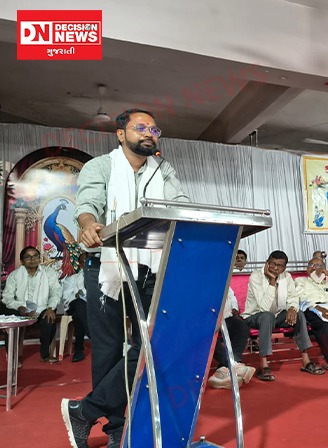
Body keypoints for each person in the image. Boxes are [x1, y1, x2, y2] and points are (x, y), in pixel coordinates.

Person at [61, 109, 190, 448]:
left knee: (153, 342)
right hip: (106, 266)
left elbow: (180, 205)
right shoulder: (101, 166)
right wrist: (88, 224)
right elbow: (88, 205)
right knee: (107, 347)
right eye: (141, 127)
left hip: (150, 267)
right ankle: (116, 426)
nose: (149, 133)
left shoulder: (163, 170)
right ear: (121, 134)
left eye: (154, 129)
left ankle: (85, 411)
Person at [242, 250, 323, 381]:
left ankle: (306, 360)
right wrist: (272, 282)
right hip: (255, 316)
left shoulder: (287, 277)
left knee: (299, 314)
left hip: (277, 315)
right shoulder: (256, 276)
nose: (275, 268)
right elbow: (264, 307)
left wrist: (292, 308)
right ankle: (263, 365)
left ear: (284, 268)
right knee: (267, 316)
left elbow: (293, 297)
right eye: (272, 264)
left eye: (279, 265)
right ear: (267, 263)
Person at [1, 246, 61, 363]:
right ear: (22, 261)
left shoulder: (48, 273)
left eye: (35, 256)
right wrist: (19, 306)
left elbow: (55, 292)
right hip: (21, 308)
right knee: (12, 323)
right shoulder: (14, 275)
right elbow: (7, 297)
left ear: (39, 258)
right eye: (28, 257)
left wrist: (50, 308)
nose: (32, 259)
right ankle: (13, 357)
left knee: (49, 318)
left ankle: (45, 354)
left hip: (42, 307)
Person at [207, 287, 257, 389]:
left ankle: (223, 370)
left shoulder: (222, 279)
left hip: (226, 316)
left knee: (241, 327)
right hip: (205, 320)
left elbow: (230, 295)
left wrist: (234, 308)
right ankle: (233, 365)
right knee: (207, 337)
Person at [61, 251, 89, 362]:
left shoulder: (101, 278)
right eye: (84, 262)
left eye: (89, 261)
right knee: (80, 304)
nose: (86, 263)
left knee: (78, 315)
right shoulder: (72, 279)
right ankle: (92, 335)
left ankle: (78, 350)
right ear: (80, 264)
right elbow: (66, 297)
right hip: (74, 305)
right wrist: (77, 296)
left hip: (92, 308)